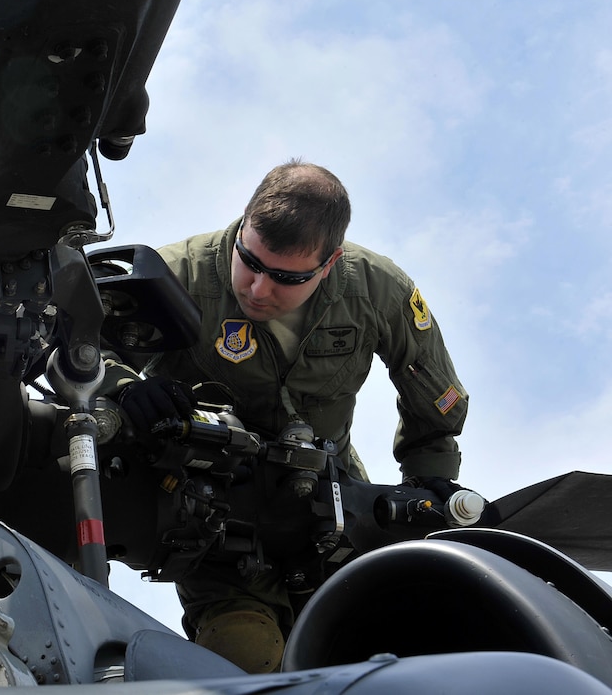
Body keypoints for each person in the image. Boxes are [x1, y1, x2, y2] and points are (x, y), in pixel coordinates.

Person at [110, 159, 469, 673]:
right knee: (245, 658)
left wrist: (428, 484)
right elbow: (77, 347)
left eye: (285, 278)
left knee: (381, 655)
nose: (258, 289)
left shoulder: (377, 289)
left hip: (336, 513)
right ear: (243, 225)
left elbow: (434, 395)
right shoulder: (177, 274)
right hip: (215, 525)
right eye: (249, 262)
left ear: (330, 263)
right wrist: (125, 388)